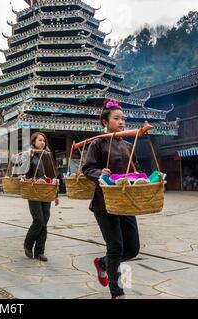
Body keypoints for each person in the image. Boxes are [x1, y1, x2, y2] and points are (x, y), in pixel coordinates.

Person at [82, 99, 141, 299]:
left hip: (125, 202)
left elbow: (136, 172)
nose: (121, 122)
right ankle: (117, 293)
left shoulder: (127, 144)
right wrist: (101, 172)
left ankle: (103, 263)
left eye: (123, 119)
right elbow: (87, 168)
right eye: (116, 118)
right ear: (105, 122)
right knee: (115, 247)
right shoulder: (98, 143)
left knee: (132, 248)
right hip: (104, 203)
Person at [19, 132, 59, 262]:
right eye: (40, 140)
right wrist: (28, 157)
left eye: (44, 141)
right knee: (38, 220)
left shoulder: (47, 156)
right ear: (34, 142)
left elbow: (53, 175)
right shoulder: (29, 155)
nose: (43, 142)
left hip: (46, 191)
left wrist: (56, 194)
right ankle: (28, 244)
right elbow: (23, 171)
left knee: (45, 221)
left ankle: (40, 251)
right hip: (34, 191)